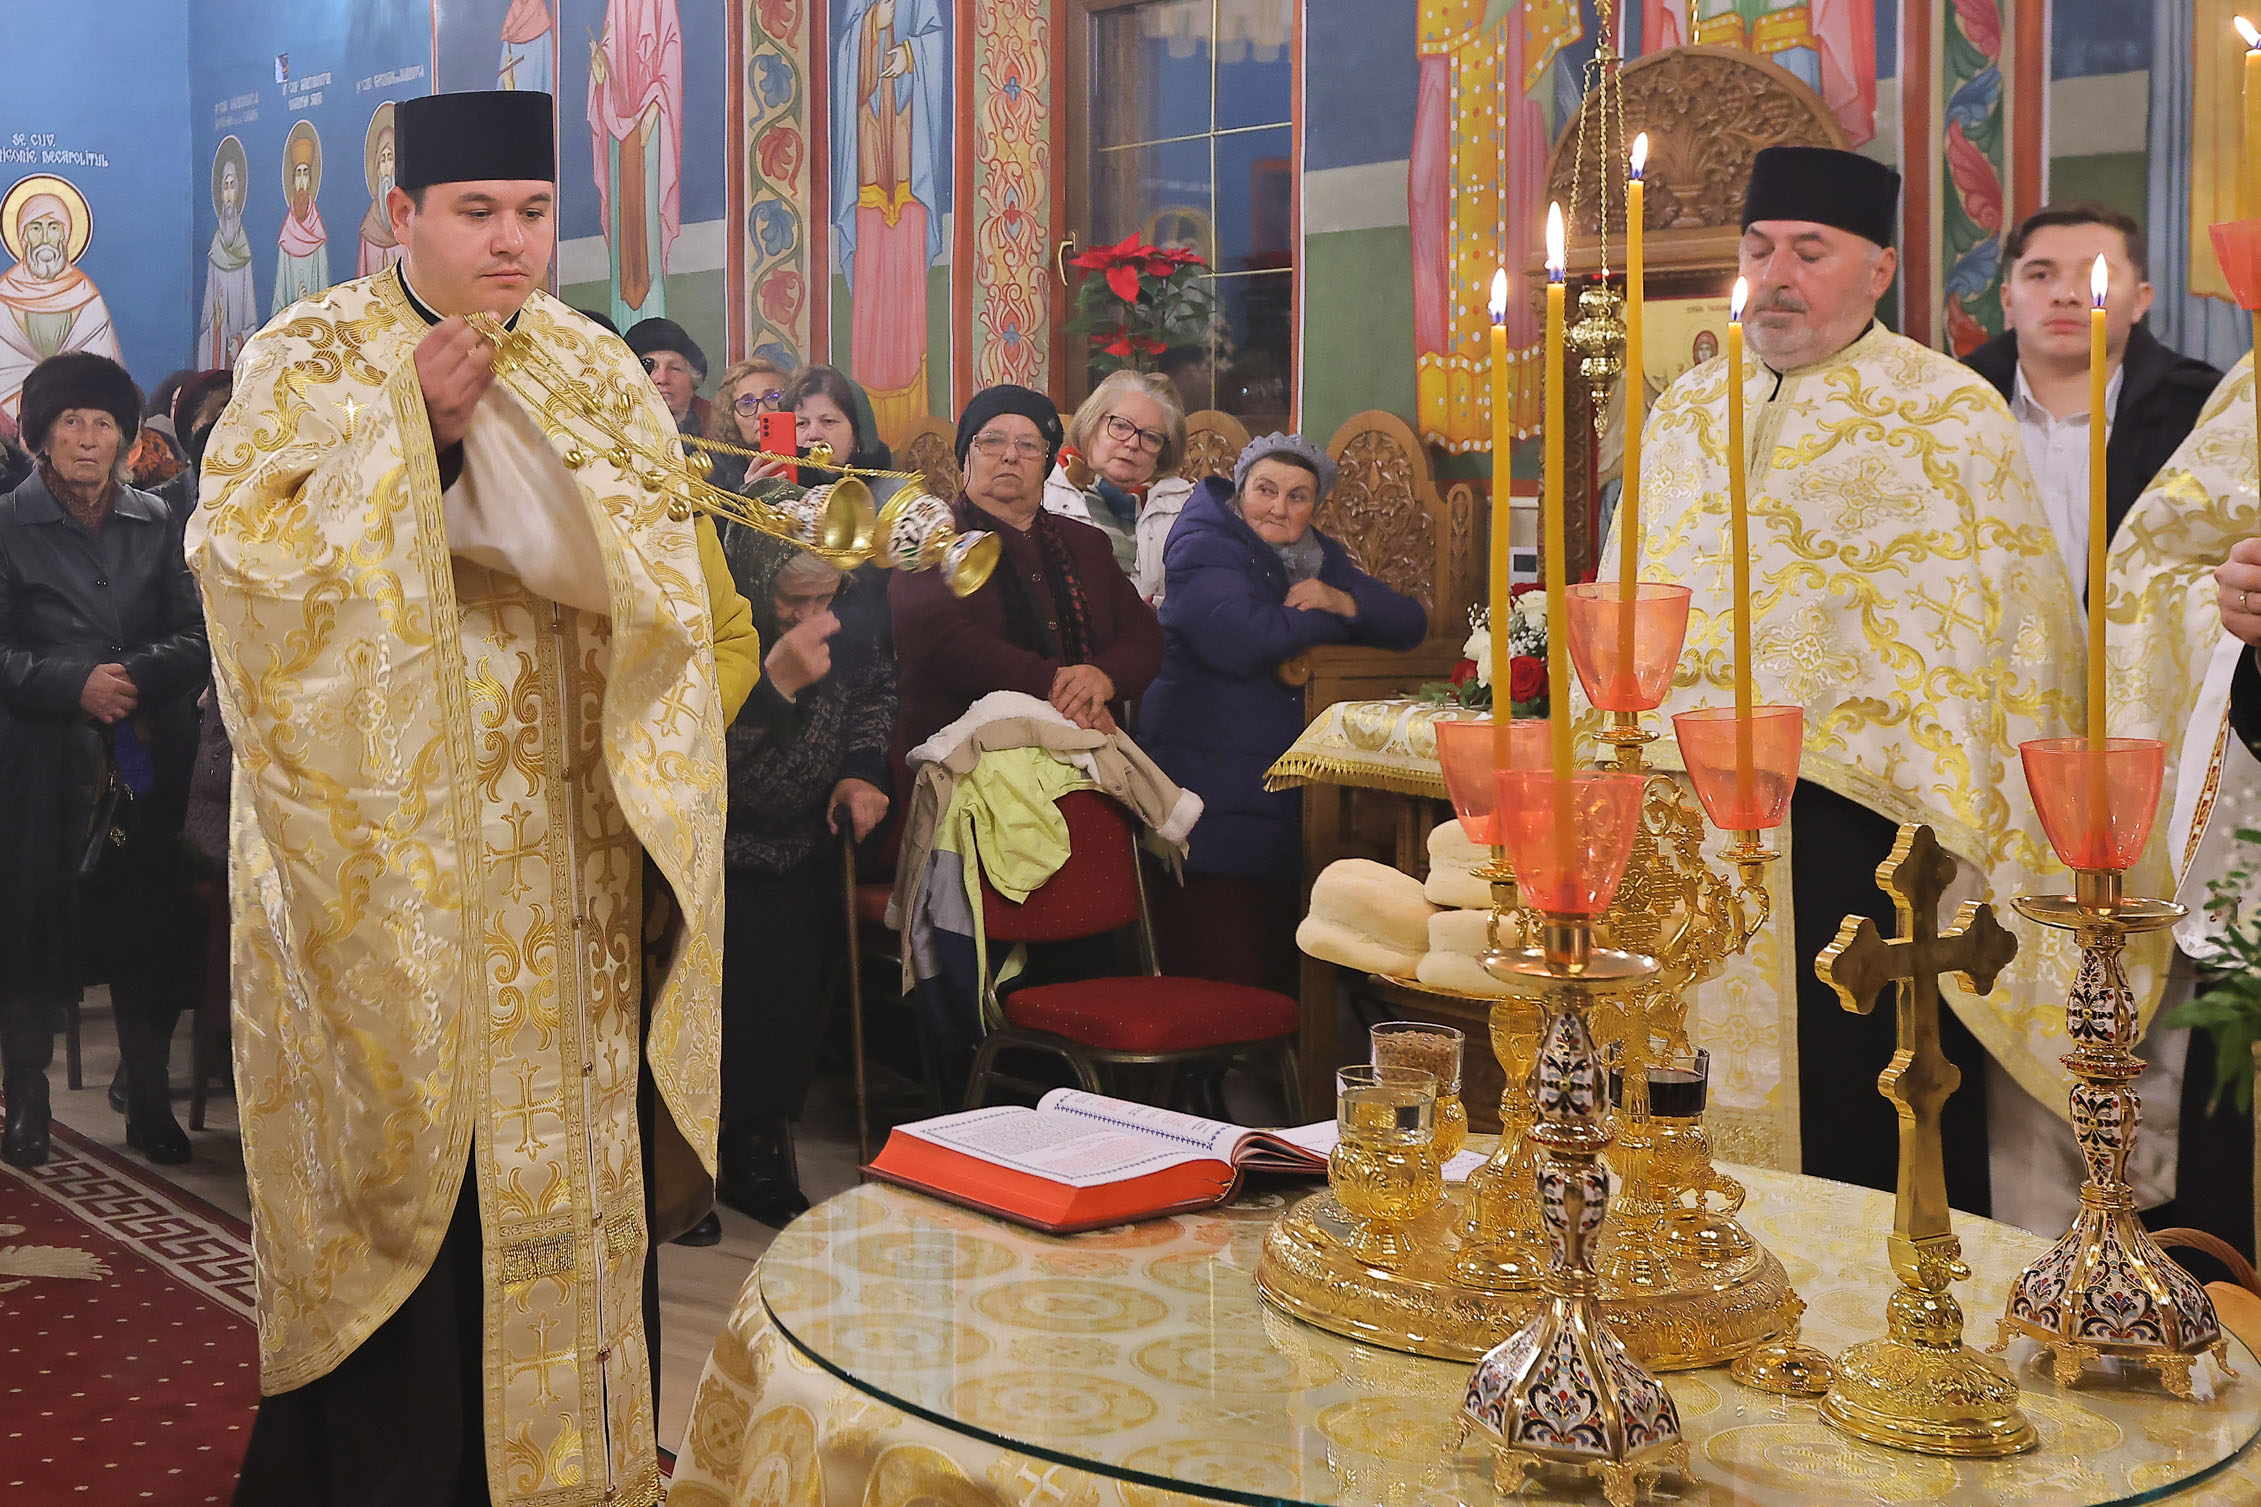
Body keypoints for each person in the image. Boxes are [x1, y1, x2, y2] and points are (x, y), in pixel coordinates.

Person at [190, 90, 758, 1507]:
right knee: (413, 1200)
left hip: (573, 870)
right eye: (475, 212)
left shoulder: (592, 365)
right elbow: (246, 573)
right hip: (402, 883)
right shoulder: (311, 352)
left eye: (532, 211)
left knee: (578, 1193)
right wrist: (421, 434)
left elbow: (671, 589)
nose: (510, 241)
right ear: (402, 216)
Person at [1621, 145, 2085, 1222]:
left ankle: (1874, 1305)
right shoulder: (1683, 412)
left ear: (1878, 269)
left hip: (1864, 823)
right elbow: (1631, 588)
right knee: (1671, 1094)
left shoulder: (1950, 414)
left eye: (1809, 251)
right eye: (1758, 248)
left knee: (1858, 1112)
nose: (1774, 275)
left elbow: (2021, 634)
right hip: (1681, 814)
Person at [0, 353, 207, 1170]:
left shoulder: (157, 522)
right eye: (71, 422)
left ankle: (150, 1100)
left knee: (145, 937)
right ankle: (28, 1102)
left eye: (104, 424)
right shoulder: (6, 524)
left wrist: (130, 677)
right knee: (29, 935)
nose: (88, 439)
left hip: (143, 760)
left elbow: (196, 635)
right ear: (42, 436)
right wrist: (72, 684)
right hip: (40, 769)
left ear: (126, 438)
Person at [1141, 433, 1425, 992]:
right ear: (1240, 490)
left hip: (1275, 790)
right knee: (1221, 967)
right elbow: (1244, 640)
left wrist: (1341, 599)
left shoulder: (1318, 556)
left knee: (1277, 965)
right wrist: (1330, 619)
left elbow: (1410, 624)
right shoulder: (1203, 543)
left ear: (1315, 506)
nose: (1279, 507)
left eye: (1298, 496)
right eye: (1265, 490)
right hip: (1206, 785)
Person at [709, 534, 894, 1224]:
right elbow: (705, 760)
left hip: (806, 841)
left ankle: (757, 1145)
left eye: (825, 597)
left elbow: (873, 696)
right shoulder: (723, 628)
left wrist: (862, 772)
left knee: (790, 994)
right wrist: (775, 687)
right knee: (732, 990)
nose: (811, 614)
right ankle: (694, 1161)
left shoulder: (849, 624)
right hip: (724, 850)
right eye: (794, 600)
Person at [889, 384, 1165, 763]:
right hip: (963, 758)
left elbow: (1144, 635)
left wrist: (1102, 678)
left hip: (1088, 755)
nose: (1010, 456)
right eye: (991, 441)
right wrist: (1056, 688)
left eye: (1029, 445)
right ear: (964, 458)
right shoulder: (928, 537)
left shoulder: (1087, 544)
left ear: (1046, 465)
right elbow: (938, 638)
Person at [1965, 203, 2222, 588]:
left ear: (2140, 300)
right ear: (2006, 299)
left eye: (2093, 275)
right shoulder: (1950, 405)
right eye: (2040, 275)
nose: (2065, 295)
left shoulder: (2202, 412)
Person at [1043, 369, 1194, 602]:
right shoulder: (1041, 491)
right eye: (1121, 426)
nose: (1133, 443)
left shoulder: (1185, 505)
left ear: (1163, 452)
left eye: (1151, 437)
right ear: (1091, 423)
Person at [625, 314, 710, 436]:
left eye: (675, 368)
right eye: (650, 368)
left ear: (693, 381)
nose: (663, 379)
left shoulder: (719, 432)